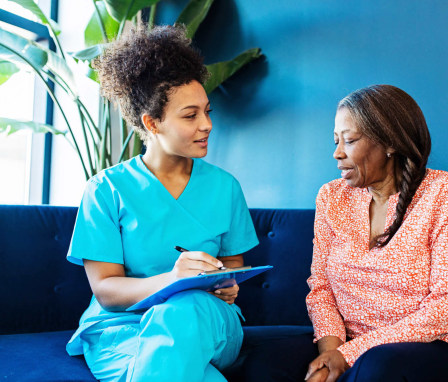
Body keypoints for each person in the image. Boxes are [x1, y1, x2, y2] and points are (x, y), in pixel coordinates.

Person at [65, 25, 259, 382]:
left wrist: (227, 283)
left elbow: (232, 263)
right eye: (190, 115)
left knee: (181, 312)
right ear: (151, 123)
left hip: (209, 322)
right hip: (121, 330)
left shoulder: (225, 187)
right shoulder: (105, 190)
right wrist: (172, 278)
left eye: (207, 111)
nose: (207, 125)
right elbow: (107, 291)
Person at [305, 85, 448, 382]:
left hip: (423, 346)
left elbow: (443, 308)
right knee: (266, 363)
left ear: (389, 143)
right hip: (344, 346)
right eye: (335, 141)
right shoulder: (332, 197)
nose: (337, 153)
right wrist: (329, 356)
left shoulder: (441, 194)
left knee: (378, 369)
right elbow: (321, 289)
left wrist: (348, 355)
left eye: (350, 140)